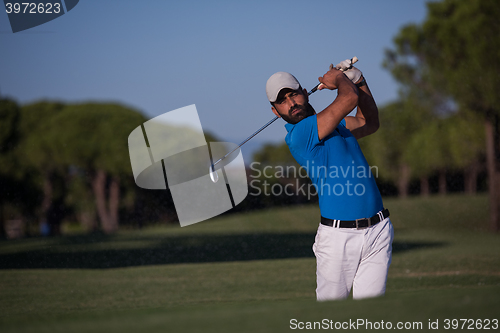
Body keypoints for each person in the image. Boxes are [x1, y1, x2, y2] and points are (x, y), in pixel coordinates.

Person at [265, 59, 394, 301]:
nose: (291, 103)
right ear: (275, 111)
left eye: (293, 95)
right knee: (332, 320)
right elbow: (347, 100)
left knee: (371, 317)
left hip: (378, 230)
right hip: (338, 240)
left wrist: (359, 81)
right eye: (282, 101)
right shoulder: (300, 135)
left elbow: (370, 122)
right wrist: (338, 79)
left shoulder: (337, 125)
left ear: (305, 93)